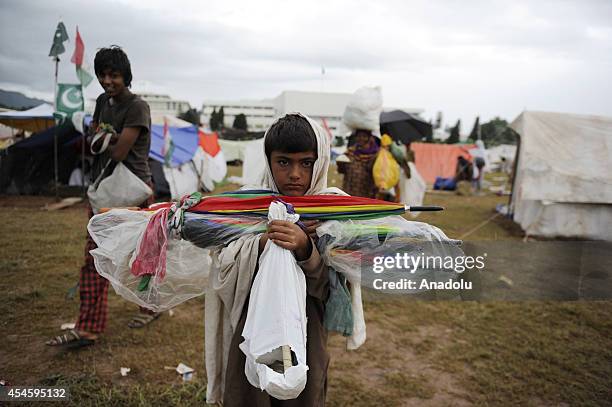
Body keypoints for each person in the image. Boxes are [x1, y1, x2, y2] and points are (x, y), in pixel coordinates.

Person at [205, 114, 340, 406]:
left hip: (306, 330)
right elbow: (225, 267)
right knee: (255, 390)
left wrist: (306, 249)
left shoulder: (335, 212)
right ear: (268, 160)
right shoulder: (247, 206)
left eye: (306, 163)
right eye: (284, 162)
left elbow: (333, 289)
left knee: (298, 391)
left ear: (319, 163)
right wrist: (263, 243)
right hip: (255, 324)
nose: (295, 174)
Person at [46, 46, 157, 348]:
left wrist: (102, 138)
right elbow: (100, 139)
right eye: (103, 75)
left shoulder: (137, 107)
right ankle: (89, 327)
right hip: (104, 190)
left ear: (126, 76)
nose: (108, 81)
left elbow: (120, 151)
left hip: (132, 190)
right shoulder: (101, 102)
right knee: (95, 257)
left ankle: (150, 306)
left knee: (141, 255)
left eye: (115, 75)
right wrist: (107, 138)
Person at [336, 129, 379, 198]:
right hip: (349, 192)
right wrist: (340, 164)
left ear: (369, 138)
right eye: (359, 136)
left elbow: (376, 173)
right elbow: (342, 170)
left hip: (367, 193)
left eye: (364, 136)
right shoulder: (350, 152)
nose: (361, 138)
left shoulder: (375, 155)